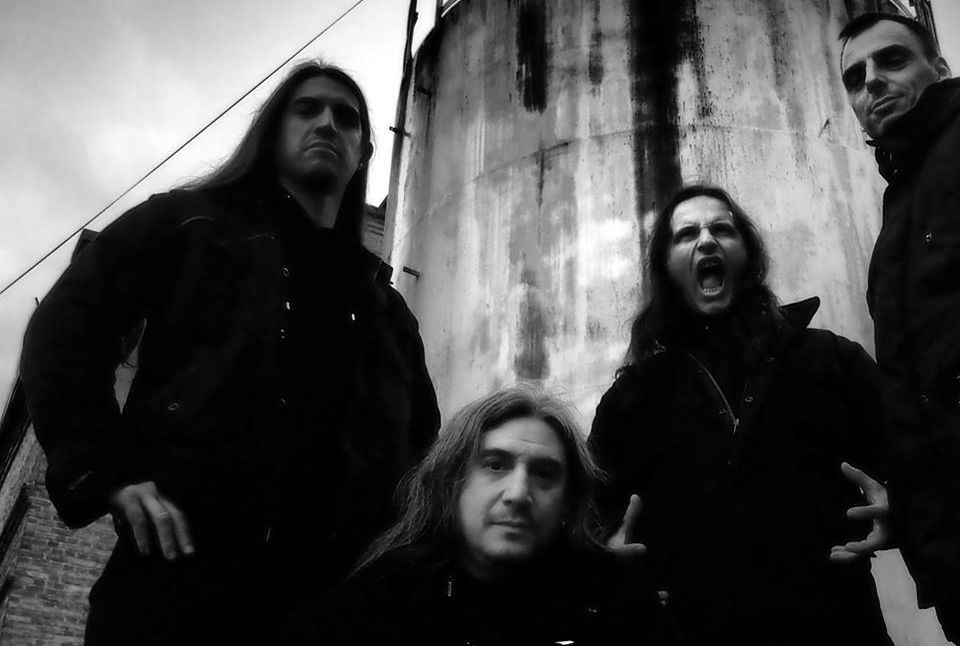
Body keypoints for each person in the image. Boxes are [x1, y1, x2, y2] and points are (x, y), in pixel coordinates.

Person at [19, 61, 439, 645]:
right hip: (179, 587)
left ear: (363, 152)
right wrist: (103, 466)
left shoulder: (384, 309)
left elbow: (422, 453)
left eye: (346, 118)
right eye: (307, 109)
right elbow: (66, 328)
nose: (327, 123)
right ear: (272, 130)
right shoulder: (188, 224)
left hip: (328, 610)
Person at [589, 185, 893, 646]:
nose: (706, 240)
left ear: (747, 254)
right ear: (665, 267)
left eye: (722, 229)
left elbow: (916, 453)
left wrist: (899, 508)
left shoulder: (829, 359)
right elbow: (588, 516)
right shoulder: (631, 398)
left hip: (835, 625)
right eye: (686, 234)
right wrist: (609, 562)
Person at [291, 387, 667, 646]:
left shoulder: (611, 604)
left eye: (544, 474)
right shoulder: (378, 607)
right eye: (496, 465)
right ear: (451, 483)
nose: (518, 494)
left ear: (569, 502)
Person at [839, 12, 960, 639]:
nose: (872, 83)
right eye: (854, 77)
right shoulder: (896, 220)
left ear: (939, 69)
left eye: (892, 60)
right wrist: (911, 505)